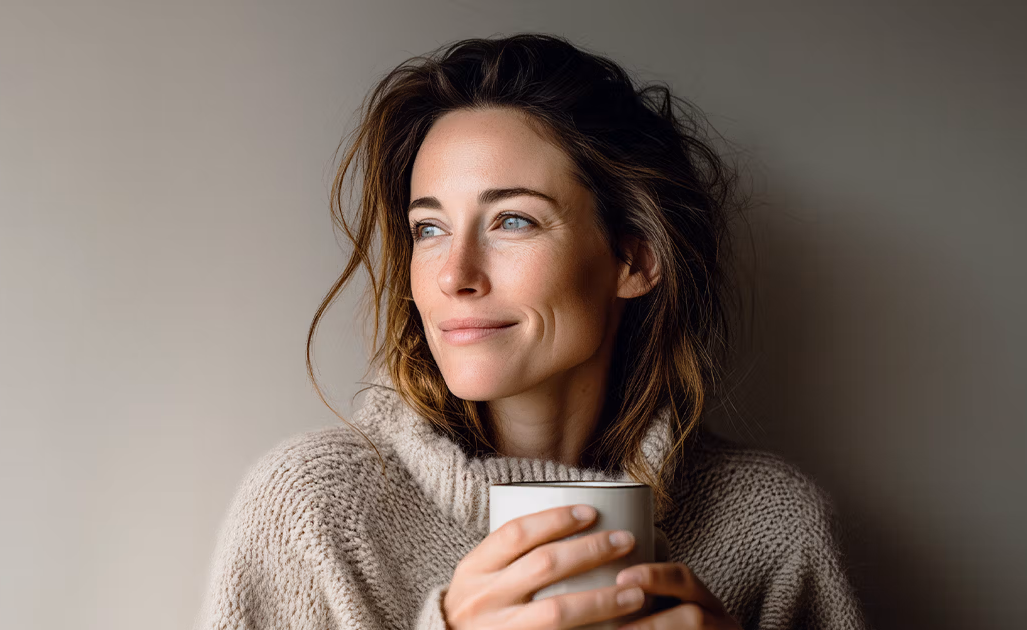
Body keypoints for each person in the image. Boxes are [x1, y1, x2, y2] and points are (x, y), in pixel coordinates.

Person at [194, 33, 868, 630]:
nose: (455, 274)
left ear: (633, 259)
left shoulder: (769, 525)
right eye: (429, 228)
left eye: (512, 221)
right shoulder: (313, 512)